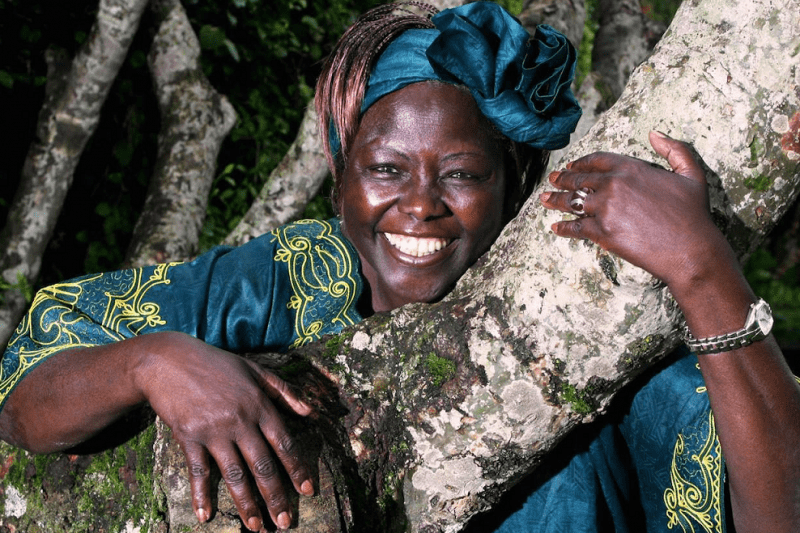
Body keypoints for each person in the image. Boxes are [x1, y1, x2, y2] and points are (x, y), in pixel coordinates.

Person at [1, 2, 798, 532]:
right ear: (340, 171)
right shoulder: (296, 275)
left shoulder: (583, 333)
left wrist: (702, 270)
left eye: (461, 173)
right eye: (386, 169)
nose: (420, 206)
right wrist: (153, 358)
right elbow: (24, 399)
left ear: (512, 184)